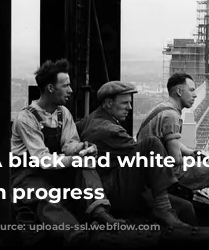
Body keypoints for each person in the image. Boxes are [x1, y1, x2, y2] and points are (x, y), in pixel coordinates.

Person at [11, 59, 126, 245]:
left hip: (53, 170)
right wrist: (74, 160)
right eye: (65, 86)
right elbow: (42, 160)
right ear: (50, 88)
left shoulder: (62, 113)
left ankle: (100, 212)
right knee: (45, 197)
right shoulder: (26, 118)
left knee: (86, 164)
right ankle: (76, 237)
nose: (71, 90)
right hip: (26, 175)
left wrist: (83, 149)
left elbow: (68, 144)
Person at [77, 81, 194, 226]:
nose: (130, 108)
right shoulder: (109, 130)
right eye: (124, 103)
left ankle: (164, 206)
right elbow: (144, 156)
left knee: (184, 206)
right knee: (152, 143)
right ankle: (163, 208)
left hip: (108, 185)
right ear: (108, 103)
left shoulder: (90, 119)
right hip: (114, 190)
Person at [136, 72, 209, 191]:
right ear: (179, 92)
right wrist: (192, 161)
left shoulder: (161, 108)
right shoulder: (171, 116)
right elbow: (176, 160)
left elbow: (169, 140)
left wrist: (191, 152)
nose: (195, 95)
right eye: (191, 90)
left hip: (146, 167)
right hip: (156, 174)